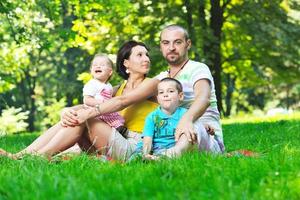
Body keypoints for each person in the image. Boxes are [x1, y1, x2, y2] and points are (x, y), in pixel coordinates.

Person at [0, 41, 159, 160]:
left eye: (147, 55)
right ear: (126, 63)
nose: (146, 59)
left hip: (134, 146)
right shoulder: (117, 89)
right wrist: (67, 111)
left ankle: (34, 158)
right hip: (117, 138)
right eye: (140, 55)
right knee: (79, 114)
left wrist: (87, 113)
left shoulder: (152, 84)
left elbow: (122, 101)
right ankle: (20, 156)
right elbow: (89, 103)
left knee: (86, 117)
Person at [155, 24, 225, 153]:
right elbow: (131, 95)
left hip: (207, 137)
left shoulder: (198, 68)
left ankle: (169, 156)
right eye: (166, 43)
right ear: (161, 46)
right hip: (173, 136)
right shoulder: (162, 78)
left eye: (178, 42)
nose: (171, 48)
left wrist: (186, 120)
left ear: (188, 44)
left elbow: (203, 99)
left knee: (193, 125)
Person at [133, 78, 189, 160]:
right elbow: (147, 139)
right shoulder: (152, 117)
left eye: (170, 91)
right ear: (158, 98)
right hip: (153, 147)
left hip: (172, 149)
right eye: (161, 92)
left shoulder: (185, 114)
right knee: (136, 157)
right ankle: (147, 159)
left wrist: (206, 126)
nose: (165, 95)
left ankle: (158, 159)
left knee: (176, 155)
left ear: (180, 96)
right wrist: (146, 154)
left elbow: (195, 126)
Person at [82, 54, 126, 137]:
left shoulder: (108, 85)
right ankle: (115, 132)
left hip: (105, 111)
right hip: (95, 111)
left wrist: (122, 86)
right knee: (111, 120)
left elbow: (111, 94)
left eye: (102, 65)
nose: (98, 66)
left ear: (110, 72)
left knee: (116, 118)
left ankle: (118, 132)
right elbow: (87, 100)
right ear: (91, 70)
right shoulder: (92, 84)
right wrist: (101, 103)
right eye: (95, 65)